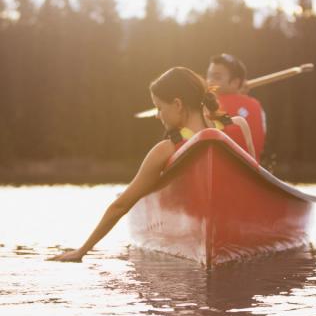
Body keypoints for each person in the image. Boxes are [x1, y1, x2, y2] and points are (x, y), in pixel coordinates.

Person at [49, 67, 255, 263]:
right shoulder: (238, 126)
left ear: (177, 104)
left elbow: (121, 205)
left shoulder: (165, 150)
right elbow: (256, 178)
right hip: (243, 232)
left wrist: (81, 250)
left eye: (159, 107)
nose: (157, 115)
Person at [207, 53, 266, 162]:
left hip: (219, 166)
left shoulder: (207, 103)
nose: (209, 81)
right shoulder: (255, 105)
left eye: (217, 77)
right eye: (209, 76)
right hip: (250, 170)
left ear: (235, 82)